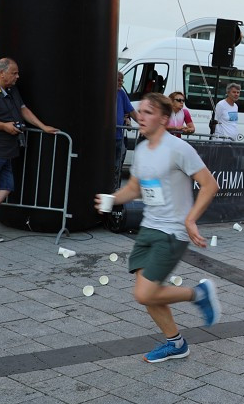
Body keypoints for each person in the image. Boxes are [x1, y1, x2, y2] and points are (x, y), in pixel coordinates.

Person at [94, 92, 222, 363]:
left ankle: (199, 294)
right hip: (148, 229)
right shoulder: (141, 150)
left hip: (173, 232)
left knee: (144, 293)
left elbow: (210, 185)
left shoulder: (178, 148)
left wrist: (190, 220)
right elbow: (134, 188)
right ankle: (176, 344)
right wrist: (112, 199)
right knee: (149, 295)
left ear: (164, 119)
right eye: (140, 111)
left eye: (149, 112)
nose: (141, 116)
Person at [0, 57, 57, 244]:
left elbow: (23, 109)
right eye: (14, 73)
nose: (18, 76)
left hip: (5, 150)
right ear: (1, 73)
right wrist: (3, 126)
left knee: (7, 186)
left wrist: (43, 126)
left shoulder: (11, 89)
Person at [113, 72, 139, 190]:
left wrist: (145, 124)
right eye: (119, 80)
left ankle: (115, 195)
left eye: (122, 81)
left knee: (117, 168)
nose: (121, 83)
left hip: (119, 137)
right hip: (106, 138)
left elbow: (133, 113)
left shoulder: (122, 94)